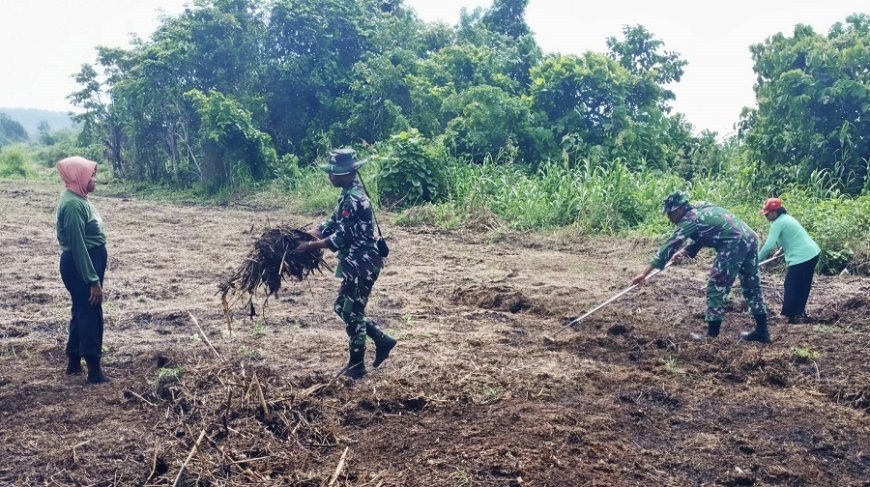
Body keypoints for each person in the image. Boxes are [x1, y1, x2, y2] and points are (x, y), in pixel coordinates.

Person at [295, 148, 396, 379]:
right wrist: (305, 235)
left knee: (350, 311)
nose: (330, 176)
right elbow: (331, 223)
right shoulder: (348, 194)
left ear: (348, 173)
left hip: (362, 263)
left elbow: (342, 238)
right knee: (345, 308)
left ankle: (357, 365)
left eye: (334, 173)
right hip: (357, 263)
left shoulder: (353, 199)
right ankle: (382, 340)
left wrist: (309, 246)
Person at [631, 191, 770, 342]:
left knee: (716, 285)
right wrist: (685, 251)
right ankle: (762, 332)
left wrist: (643, 274)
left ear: (678, 209)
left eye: (669, 214)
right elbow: (707, 232)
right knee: (751, 285)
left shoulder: (688, 220)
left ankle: (711, 335)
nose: (669, 218)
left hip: (733, 243)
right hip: (750, 237)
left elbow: (668, 247)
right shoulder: (700, 207)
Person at [55, 156, 110, 383]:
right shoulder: (73, 205)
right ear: (79, 177)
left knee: (81, 309)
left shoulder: (78, 198)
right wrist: (93, 281)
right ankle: (94, 369)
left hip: (87, 259)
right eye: (91, 175)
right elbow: (78, 247)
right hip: (82, 264)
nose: (94, 179)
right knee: (90, 311)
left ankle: (74, 362)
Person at [758, 198, 820, 324]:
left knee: (792, 285)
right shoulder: (786, 218)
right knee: (801, 285)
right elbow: (792, 235)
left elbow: (768, 246)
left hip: (803, 256)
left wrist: (755, 260)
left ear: (775, 212)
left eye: (767, 213)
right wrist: (781, 250)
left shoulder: (777, 223)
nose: (766, 216)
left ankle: (794, 315)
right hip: (812, 253)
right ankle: (797, 313)